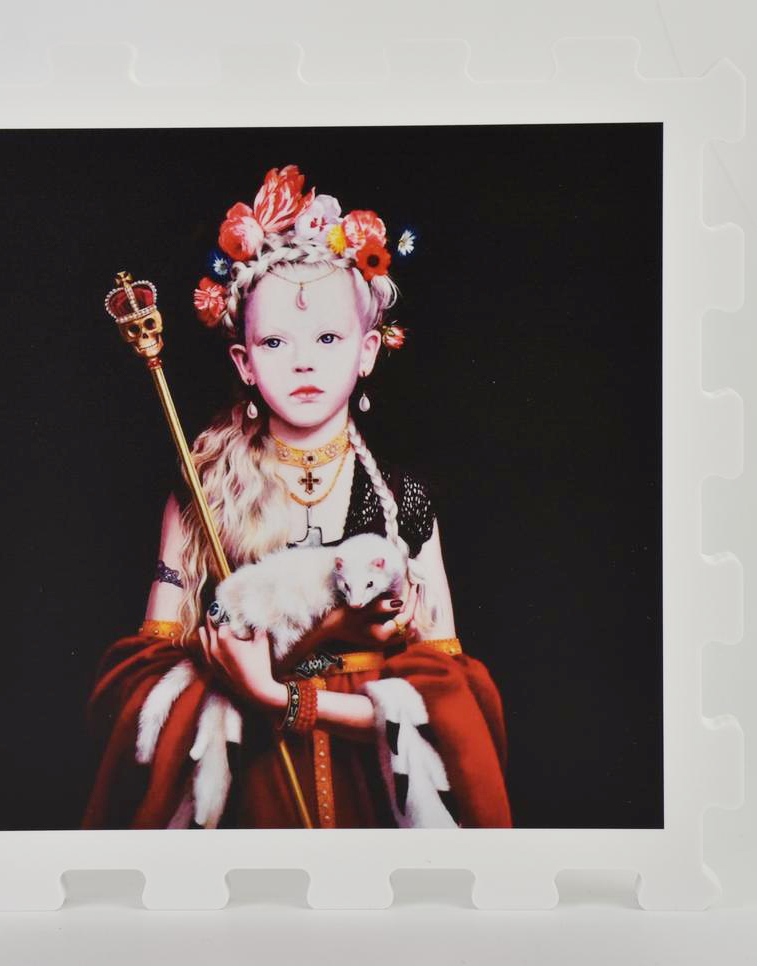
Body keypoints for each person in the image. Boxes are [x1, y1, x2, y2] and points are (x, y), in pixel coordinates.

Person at [83, 165, 512, 829]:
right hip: (249, 787)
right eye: (275, 341)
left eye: (328, 338)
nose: (303, 362)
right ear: (244, 362)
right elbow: (138, 684)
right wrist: (251, 676)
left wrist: (281, 697)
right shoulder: (201, 495)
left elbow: (449, 701)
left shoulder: (404, 503)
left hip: (372, 789)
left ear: (367, 352)